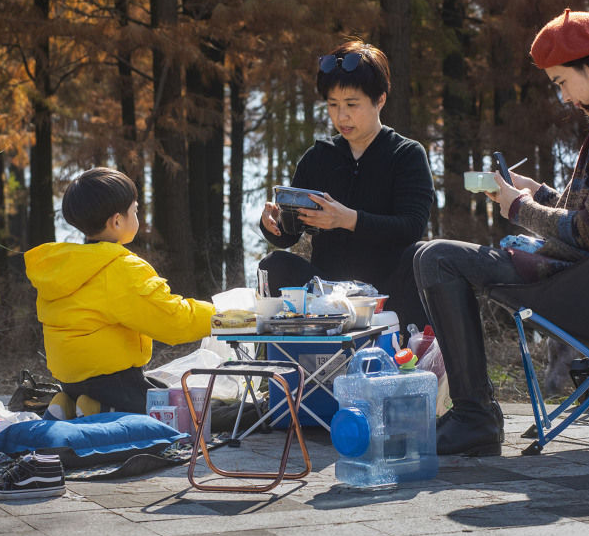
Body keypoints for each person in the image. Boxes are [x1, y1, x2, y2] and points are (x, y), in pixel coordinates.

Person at [414, 9, 589, 457]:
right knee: (432, 254)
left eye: (562, 81)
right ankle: (473, 414)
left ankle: (475, 416)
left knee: (435, 257)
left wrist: (519, 208)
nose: (563, 97)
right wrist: (538, 192)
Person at [258, 40, 435, 334]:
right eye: (333, 105)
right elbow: (289, 235)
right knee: (273, 265)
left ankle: (409, 350)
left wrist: (348, 219)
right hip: (327, 292)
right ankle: (287, 361)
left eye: (352, 105)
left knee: (422, 255)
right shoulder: (318, 157)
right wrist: (273, 224)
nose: (342, 117)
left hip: (388, 289)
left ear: (380, 99)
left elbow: (411, 226)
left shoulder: (406, 154)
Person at [25, 167, 215, 418]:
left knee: (154, 391)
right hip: (114, 382)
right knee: (179, 411)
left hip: (70, 381)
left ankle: (69, 402)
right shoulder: (120, 269)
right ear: (117, 221)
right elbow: (173, 321)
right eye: (135, 210)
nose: (138, 216)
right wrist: (219, 315)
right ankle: (101, 409)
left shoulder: (62, 267)